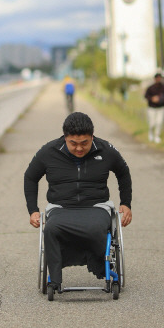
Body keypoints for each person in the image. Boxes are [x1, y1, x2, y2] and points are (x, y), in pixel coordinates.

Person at [24, 112, 132, 291]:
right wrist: (32, 210)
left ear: (92, 136)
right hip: (61, 207)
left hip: (96, 206)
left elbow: (123, 172)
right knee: (51, 228)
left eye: (85, 143)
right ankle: (55, 279)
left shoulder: (106, 150)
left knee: (97, 227)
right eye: (73, 143)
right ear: (65, 137)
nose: (79, 149)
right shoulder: (49, 151)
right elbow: (30, 177)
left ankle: (101, 264)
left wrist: (126, 203)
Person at [144, 73, 164, 143]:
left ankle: (157, 135)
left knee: (159, 122)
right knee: (152, 123)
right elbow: (146, 96)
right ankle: (151, 132)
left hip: (161, 108)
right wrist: (152, 99)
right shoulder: (150, 88)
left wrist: (161, 99)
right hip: (152, 107)